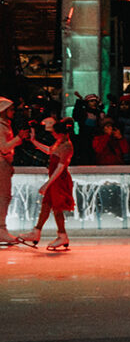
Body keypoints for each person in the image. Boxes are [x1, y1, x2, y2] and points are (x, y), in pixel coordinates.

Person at [19, 117, 76, 250]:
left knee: (57, 208)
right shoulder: (59, 143)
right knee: (46, 205)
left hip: (59, 181)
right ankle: (36, 231)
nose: (53, 135)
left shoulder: (67, 146)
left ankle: (62, 235)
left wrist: (47, 184)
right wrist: (34, 141)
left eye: (54, 133)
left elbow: (60, 167)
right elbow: (49, 150)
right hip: (55, 179)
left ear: (61, 133)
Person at [0, 98, 24, 245]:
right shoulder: (1, 127)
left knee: (4, 197)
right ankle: (1, 229)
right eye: (11, 109)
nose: (13, 112)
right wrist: (18, 138)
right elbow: (3, 147)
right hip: (1, 164)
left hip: (5, 164)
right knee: (3, 197)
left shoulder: (5, 126)